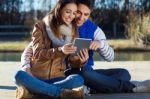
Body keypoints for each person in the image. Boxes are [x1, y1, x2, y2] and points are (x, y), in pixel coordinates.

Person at [20, 0, 150, 95]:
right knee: (85, 74)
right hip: (64, 72)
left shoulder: (92, 30)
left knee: (123, 73)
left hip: (83, 70)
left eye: (86, 14)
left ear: (90, 14)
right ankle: (131, 87)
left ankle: (90, 88)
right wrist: (26, 66)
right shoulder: (55, 26)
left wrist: (99, 46)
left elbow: (110, 57)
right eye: (78, 13)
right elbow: (31, 49)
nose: (81, 17)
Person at [14, 0, 89, 99]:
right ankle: (59, 93)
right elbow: (37, 54)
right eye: (68, 12)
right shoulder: (40, 27)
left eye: (74, 13)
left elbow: (72, 64)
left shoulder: (73, 32)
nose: (71, 16)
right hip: (36, 77)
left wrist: (81, 60)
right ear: (59, 10)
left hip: (58, 78)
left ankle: (34, 92)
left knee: (78, 79)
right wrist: (60, 51)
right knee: (19, 75)